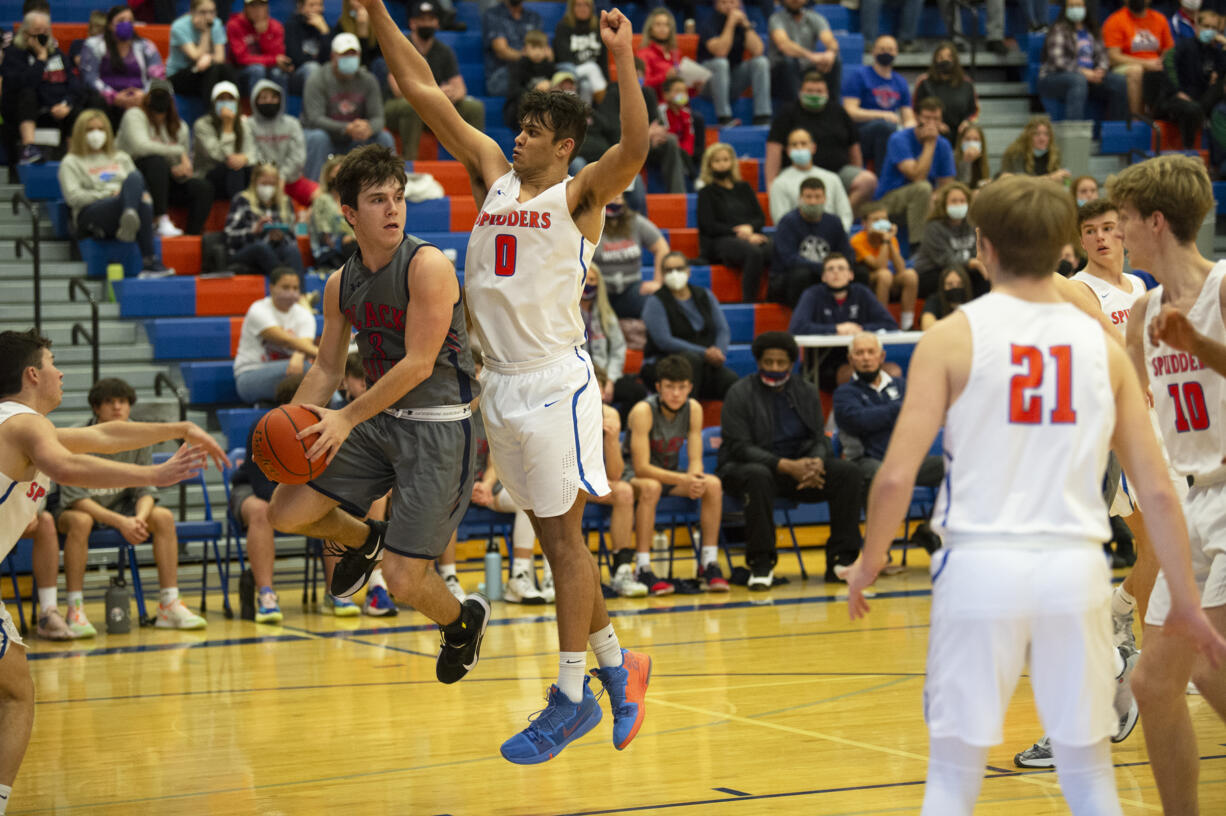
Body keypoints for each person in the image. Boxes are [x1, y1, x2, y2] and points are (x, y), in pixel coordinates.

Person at [841, 172, 1226, 816]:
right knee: (1088, 766)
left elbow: (896, 475)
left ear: (983, 246)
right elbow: (1157, 487)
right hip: (1072, 563)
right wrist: (1183, 595)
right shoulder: (1104, 344)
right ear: (1062, 248)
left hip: (978, 561)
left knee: (954, 770)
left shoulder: (949, 336)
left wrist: (869, 559)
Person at [358, 0, 652, 763]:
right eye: (516, 127)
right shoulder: (493, 173)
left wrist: (623, 54)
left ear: (564, 147)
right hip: (499, 384)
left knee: (561, 540)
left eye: (532, 131)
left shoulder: (581, 195)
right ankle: (621, 670)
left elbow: (637, 142)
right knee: (557, 539)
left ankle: (568, 695)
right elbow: (419, 86)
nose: (516, 136)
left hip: (557, 381)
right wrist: (374, 11)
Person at [260, 142, 493, 706]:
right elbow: (326, 367)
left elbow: (417, 364)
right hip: (380, 420)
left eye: (398, 198)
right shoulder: (340, 283)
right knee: (285, 510)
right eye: (376, 200)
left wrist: (342, 418)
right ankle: (363, 538)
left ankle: (462, 622)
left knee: (405, 579)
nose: (393, 209)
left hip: (441, 428)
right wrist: (297, 424)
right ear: (349, 213)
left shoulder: (429, 265)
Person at [0, 328, 226, 815]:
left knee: (15, 690)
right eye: (53, 362)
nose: (61, 372)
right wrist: (153, 474)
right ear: (32, 374)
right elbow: (65, 464)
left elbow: (105, 436)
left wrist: (182, 430)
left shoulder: (20, 424)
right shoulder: (24, 423)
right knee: (15, 697)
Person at [1011, 195, 1161, 769]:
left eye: (1108, 228)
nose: (1100, 238)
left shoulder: (1133, 288)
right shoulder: (1071, 288)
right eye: (1088, 230)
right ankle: (1118, 669)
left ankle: (1111, 676)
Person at [1113, 154, 1226, 815]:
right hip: (1190, 500)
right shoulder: (1141, 312)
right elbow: (1132, 410)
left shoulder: (1221, 288)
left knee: (1207, 666)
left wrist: (1200, 344)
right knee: (1154, 683)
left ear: (1156, 221)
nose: (1119, 229)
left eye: (1124, 218)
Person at [56, 377, 209, 631]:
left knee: (162, 517)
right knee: (81, 521)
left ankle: (169, 605)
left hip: (122, 505)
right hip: (81, 509)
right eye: (110, 402)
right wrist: (121, 522)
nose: (118, 407)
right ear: (96, 407)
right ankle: (75, 609)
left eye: (123, 402)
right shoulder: (77, 436)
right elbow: (77, 499)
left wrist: (139, 517)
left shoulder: (138, 436)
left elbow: (146, 489)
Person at [718, 330, 865, 587]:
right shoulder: (739, 393)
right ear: (758, 362)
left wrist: (816, 462)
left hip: (800, 470)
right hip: (747, 470)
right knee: (757, 475)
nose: (774, 368)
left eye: (781, 363)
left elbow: (819, 437)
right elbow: (738, 446)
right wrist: (785, 465)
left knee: (848, 473)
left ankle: (842, 560)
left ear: (791, 363)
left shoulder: (806, 390)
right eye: (768, 362)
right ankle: (761, 564)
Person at [623, 355, 727, 595]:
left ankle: (708, 563)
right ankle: (643, 567)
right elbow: (641, 468)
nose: (676, 394)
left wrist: (695, 478)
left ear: (690, 387)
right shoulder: (643, 411)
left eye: (682, 387)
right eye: (670, 387)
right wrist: (684, 480)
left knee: (712, 484)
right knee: (651, 487)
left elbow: (695, 459)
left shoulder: (694, 409)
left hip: (669, 474)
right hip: (635, 476)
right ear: (658, 387)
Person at [832, 332, 942, 555]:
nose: (865, 358)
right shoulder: (844, 393)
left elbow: (920, 417)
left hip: (907, 462)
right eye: (859, 353)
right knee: (878, 474)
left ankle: (930, 528)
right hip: (866, 460)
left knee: (956, 466)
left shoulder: (902, 386)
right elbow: (858, 422)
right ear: (850, 359)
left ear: (881, 357)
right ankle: (878, 552)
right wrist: (897, 409)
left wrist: (878, 416)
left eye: (870, 352)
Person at [58, 110, 169, 276]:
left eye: (101, 129)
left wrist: (129, 198)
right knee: (137, 202)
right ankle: (149, 258)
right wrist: (107, 195)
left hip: (122, 204)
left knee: (136, 180)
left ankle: (130, 218)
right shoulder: (71, 161)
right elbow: (73, 198)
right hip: (91, 214)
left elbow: (139, 188)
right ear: (81, 132)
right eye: (90, 129)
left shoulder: (121, 157)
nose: (96, 134)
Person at [384, 1, 484, 161]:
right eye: (422, 19)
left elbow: (460, 88)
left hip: (434, 106)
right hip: (401, 106)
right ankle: (410, 165)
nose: (426, 23)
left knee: (474, 108)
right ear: (412, 23)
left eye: (430, 19)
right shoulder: (401, 47)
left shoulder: (444, 51)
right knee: (409, 107)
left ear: (437, 23)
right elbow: (398, 89)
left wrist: (452, 93)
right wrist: (436, 94)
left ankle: (476, 161)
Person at [0, 6, 98, 167]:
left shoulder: (57, 53)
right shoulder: (14, 54)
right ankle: (29, 148)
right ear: (25, 34)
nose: (42, 35)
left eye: (46, 31)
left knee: (80, 106)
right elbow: (23, 83)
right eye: (37, 30)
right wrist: (41, 58)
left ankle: (74, 160)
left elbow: (74, 82)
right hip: (25, 110)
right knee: (27, 93)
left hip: (58, 107)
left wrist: (66, 103)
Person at [765, 71, 876, 213]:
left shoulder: (839, 112)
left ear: (827, 93)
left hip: (837, 174)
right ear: (800, 92)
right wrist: (770, 184)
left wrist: (857, 169)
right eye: (809, 91)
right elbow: (773, 149)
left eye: (819, 91)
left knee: (867, 181)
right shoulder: (787, 113)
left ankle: (839, 219)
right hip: (796, 172)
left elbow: (854, 148)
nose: (814, 95)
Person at [115, 79, 213, 237]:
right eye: (155, 94)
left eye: (164, 95)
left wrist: (182, 170)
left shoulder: (180, 127)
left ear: (171, 100)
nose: (160, 99)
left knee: (203, 187)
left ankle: (191, 236)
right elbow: (140, 147)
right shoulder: (134, 115)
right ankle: (160, 220)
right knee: (155, 161)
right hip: (135, 178)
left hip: (165, 180)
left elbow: (183, 162)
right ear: (147, 97)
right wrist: (177, 150)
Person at [790, 253, 899, 390]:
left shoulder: (862, 293)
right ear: (823, 277)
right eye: (830, 269)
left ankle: (886, 409)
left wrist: (860, 329)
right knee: (852, 374)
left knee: (894, 371)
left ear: (851, 275)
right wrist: (836, 329)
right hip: (824, 365)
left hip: (863, 358)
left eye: (841, 268)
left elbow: (890, 324)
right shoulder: (812, 294)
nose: (836, 272)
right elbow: (797, 327)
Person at [642, 252, 740, 400]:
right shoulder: (655, 301)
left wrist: (718, 351)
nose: (674, 273)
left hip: (705, 362)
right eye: (668, 270)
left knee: (731, 380)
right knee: (691, 360)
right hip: (667, 364)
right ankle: (688, 416)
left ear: (688, 271)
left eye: (679, 268)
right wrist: (705, 352)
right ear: (662, 274)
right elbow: (664, 341)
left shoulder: (704, 295)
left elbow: (722, 329)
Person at [302, 33, 396, 183]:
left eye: (354, 54)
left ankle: (391, 185)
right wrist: (346, 128)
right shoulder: (317, 78)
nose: (350, 58)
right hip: (328, 136)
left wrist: (369, 128)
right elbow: (314, 119)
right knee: (318, 138)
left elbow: (378, 117)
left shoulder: (368, 80)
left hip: (356, 138)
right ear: (333, 56)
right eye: (345, 54)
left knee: (384, 138)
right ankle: (314, 190)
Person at [874, 96, 955, 248]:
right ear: (917, 117)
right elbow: (917, 176)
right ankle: (918, 245)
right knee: (923, 188)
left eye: (936, 119)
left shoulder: (944, 145)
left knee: (953, 196)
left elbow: (947, 185)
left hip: (923, 201)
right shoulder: (899, 139)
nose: (931, 123)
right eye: (927, 118)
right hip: (889, 202)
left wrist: (936, 197)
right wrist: (930, 143)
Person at [697, 142, 771, 303]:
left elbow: (760, 217)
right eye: (717, 161)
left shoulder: (744, 188)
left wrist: (750, 228)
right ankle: (749, 302)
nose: (722, 164)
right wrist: (739, 233)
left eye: (725, 159)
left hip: (750, 234)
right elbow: (708, 225)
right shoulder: (706, 192)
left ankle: (773, 297)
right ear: (709, 165)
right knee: (754, 253)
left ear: (732, 162)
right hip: (720, 240)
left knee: (775, 249)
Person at [232, 267, 318, 403]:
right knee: (313, 372)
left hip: (291, 371)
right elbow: (286, 340)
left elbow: (305, 344)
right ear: (271, 288)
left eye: (295, 288)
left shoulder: (304, 314)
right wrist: (325, 355)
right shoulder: (258, 309)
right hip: (250, 376)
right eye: (285, 287)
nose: (291, 292)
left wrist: (299, 355)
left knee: (315, 372)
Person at [771, 176, 855, 308]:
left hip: (824, 273)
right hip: (789, 278)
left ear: (825, 199)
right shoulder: (787, 222)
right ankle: (799, 320)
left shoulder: (834, 222)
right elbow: (789, 259)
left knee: (856, 273)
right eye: (808, 197)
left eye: (817, 197)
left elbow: (846, 252)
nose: (813, 201)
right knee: (801, 274)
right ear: (800, 199)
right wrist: (825, 268)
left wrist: (838, 268)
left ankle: (850, 315)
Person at [1038, 0, 1129, 122]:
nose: (1075, 9)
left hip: (1089, 78)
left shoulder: (1092, 30)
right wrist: (1083, 72)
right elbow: (1058, 61)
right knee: (1077, 80)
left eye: (1078, 6)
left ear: (1086, 8)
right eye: (1071, 6)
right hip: (1054, 78)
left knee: (1119, 81)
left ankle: (1115, 130)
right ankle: (1075, 133)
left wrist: (1100, 70)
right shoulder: (1059, 29)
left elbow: (1102, 56)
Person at [78, 5, 165, 129]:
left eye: (130, 21)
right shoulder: (93, 45)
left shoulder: (146, 46)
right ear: (109, 25)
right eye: (121, 21)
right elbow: (90, 78)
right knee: (94, 99)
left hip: (139, 98)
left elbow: (158, 77)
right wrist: (114, 97)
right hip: (107, 100)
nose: (126, 24)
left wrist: (144, 95)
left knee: (162, 95)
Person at [1152, 9, 1226, 149]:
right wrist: (1177, 92)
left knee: (1220, 89)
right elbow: (1168, 65)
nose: (1209, 31)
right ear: (1197, 26)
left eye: (1214, 28)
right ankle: (1189, 151)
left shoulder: (1216, 52)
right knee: (1191, 109)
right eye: (1206, 26)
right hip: (1175, 99)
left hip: (1201, 100)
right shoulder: (1184, 46)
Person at [581, 263, 648, 413]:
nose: (588, 284)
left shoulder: (607, 314)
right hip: (576, 377)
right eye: (585, 279)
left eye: (592, 280)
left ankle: (620, 430)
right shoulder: (567, 315)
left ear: (599, 284)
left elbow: (618, 348)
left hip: (605, 376)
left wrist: (609, 380)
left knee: (636, 391)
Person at [842, 36, 915, 174]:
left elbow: (908, 117)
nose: (886, 52)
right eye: (882, 49)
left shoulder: (900, 82)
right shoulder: (860, 76)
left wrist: (911, 130)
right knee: (885, 127)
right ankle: (883, 178)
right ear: (873, 52)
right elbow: (850, 111)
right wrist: (882, 114)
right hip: (860, 131)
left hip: (890, 131)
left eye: (890, 49)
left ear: (896, 53)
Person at [593, 191, 669, 319]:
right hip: (600, 289)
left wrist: (657, 282)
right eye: (609, 199)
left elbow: (662, 248)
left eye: (617, 198)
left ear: (624, 201)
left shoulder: (636, 222)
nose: (613, 202)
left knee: (657, 303)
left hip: (632, 288)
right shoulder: (591, 223)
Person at [697, 0, 771, 126]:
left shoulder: (741, 24)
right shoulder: (708, 23)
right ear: (716, 5)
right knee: (721, 63)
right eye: (724, 2)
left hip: (732, 80)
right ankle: (724, 117)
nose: (729, 6)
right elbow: (721, 51)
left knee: (761, 62)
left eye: (732, 2)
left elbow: (758, 50)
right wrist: (730, 24)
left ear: (740, 4)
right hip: (708, 83)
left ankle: (762, 116)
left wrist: (746, 25)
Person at [224, 163, 305, 276]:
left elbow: (292, 239)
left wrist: (280, 237)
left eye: (272, 184)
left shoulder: (285, 202)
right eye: (264, 183)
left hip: (274, 250)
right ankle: (284, 281)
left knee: (293, 251)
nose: (268, 188)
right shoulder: (242, 200)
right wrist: (253, 232)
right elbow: (229, 236)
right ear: (254, 182)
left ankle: (299, 292)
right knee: (261, 248)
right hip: (245, 251)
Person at [248, 80, 317, 208]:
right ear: (255, 101)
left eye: (274, 97)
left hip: (292, 180)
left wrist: (281, 176)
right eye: (264, 98)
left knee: (322, 197)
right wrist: (270, 176)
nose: (269, 101)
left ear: (280, 100)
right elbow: (252, 154)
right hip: (263, 181)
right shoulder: (248, 125)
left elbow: (298, 157)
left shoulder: (292, 123)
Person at [768, 128, 853, 230]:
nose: (799, 148)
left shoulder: (832, 178)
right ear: (788, 151)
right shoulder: (779, 183)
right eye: (794, 145)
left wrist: (836, 236)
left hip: (832, 237)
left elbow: (845, 214)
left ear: (813, 147)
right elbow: (780, 219)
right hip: (798, 239)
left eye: (803, 143)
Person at [850, 204, 920, 328]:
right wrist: (885, 241)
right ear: (865, 224)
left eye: (884, 219)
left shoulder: (890, 238)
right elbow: (879, 266)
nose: (881, 223)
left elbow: (901, 268)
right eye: (876, 220)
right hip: (867, 281)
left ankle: (907, 325)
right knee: (884, 275)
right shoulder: (857, 240)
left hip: (887, 280)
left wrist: (889, 241)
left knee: (910, 275)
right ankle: (881, 321)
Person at [913, 181, 986, 298]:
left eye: (962, 201)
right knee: (956, 279)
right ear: (944, 204)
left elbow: (976, 252)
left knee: (984, 278)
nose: (958, 204)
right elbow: (944, 259)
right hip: (933, 273)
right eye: (954, 201)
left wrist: (978, 263)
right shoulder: (933, 227)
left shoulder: (972, 225)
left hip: (964, 270)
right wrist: (971, 263)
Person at [1102, 0, 1174, 116]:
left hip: (1155, 65)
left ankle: (1160, 117)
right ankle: (1137, 119)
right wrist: (1145, 64)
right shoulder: (1115, 20)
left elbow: (1169, 49)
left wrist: (1161, 61)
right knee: (1136, 70)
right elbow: (1113, 57)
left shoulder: (1159, 19)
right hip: (1123, 66)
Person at [767, 0, 841, 106]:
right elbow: (784, 45)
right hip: (780, 75)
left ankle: (833, 108)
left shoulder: (815, 18)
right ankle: (796, 109)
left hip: (805, 70)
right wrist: (811, 56)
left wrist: (831, 52)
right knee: (789, 61)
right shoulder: (775, 19)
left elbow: (830, 40)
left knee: (835, 60)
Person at [192, 81, 254, 202]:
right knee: (234, 167)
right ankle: (239, 210)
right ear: (214, 103)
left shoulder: (243, 124)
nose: (226, 104)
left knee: (254, 170)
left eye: (230, 99)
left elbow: (253, 153)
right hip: (209, 176)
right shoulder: (202, 125)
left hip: (237, 174)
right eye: (221, 99)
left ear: (237, 103)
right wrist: (228, 127)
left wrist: (245, 158)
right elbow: (219, 156)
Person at [167, 0, 237, 101]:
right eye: (203, 12)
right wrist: (206, 31)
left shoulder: (216, 23)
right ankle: (211, 112)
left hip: (205, 72)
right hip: (179, 75)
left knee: (226, 68)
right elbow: (196, 56)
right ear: (192, 12)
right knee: (212, 70)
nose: (208, 17)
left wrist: (209, 58)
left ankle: (235, 108)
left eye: (212, 12)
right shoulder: (179, 27)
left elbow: (220, 57)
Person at [912, 42, 978, 138]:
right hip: (931, 131)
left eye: (949, 57)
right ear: (935, 60)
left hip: (960, 132)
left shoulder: (967, 84)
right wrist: (934, 124)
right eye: (941, 57)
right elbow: (915, 110)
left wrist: (967, 122)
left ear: (955, 60)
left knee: (972, 134)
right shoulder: (924, 82)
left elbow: (974, 110)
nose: (945, 60)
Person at [226, 0, 289, 97]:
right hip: (240, 70)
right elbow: (241, 58)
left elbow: (279, 56)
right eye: (253, 6)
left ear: (267, 7)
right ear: (245, 7)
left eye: (261, 5)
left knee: (279, 72)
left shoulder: (276, 26)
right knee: (257, 69)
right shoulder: (234, 25)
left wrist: (263, 35)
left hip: (267, 68)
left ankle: (280, 111)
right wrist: (273, 60)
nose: (257, 10)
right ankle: (256, 110)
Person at [481, 0, 543, 96]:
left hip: (531, 70)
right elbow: (501, 50)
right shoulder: (493, 15)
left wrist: (539, 54)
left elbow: (544, 48)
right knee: (536, 86)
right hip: (502, 74)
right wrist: (527, 55)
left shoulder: (533, 17)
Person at [308, 155, 357, 270]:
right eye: (336, 173)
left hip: (353, 245)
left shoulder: (353, 200)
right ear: (328, 177)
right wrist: (344, 238)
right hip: (329, 251)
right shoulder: (323, 200)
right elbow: (326, 237)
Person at [553, 0, 608, 103]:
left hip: (591, 75)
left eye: (586, 5)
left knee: (586, 85)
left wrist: (606, 79)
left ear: (591, 8)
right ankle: (606, 106)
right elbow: (563, 57)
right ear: (572, 8)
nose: (583, 8)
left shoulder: (597, 26)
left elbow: (603, 58)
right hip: (569, 70)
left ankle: (585, 117)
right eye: (578, 5)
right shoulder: (563, 26)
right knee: (592, 68)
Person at [502, 30, 555, 128]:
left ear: (547, 49)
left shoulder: (550, 67)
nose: (538, 52)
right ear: (525, 49)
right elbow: (514, 91)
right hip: (519, 111)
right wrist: (535, 91)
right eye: (534, 47)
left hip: (543, 108)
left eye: (541, 48)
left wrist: (551, 85)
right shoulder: (518, 66)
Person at [1000, 115, 1071, 182]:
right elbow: (1020, 182)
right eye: (1037, 134)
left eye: (1046, 134)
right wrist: (1050, 178)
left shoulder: (1054, 153)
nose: (1042, 139)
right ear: (1027, 136)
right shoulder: (1015, 153)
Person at [284, 0, 333, 95]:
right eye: (312, 5)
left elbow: (332, 59)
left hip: (323, 73)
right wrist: (318, 61)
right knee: (312, 68)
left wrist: (325, 33)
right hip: (298, 76)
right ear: (300, 7)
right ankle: (313, 109)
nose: (317, 9)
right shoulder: (291, 26)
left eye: (320, 5)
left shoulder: (325, 28)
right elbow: (296, 58)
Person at [636, 6, 683, 101]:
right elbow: (643, 84)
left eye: (666, 25)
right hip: (655, 104)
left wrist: (694, 88)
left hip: (677, 103)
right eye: (658, 24)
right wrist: (665, 76)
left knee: (697, 115)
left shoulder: (675, 53)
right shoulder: (643, 54)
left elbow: (681, 89)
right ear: (650, 29)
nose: (663, 28)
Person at [953, 124, 989, 189]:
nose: (971, 143)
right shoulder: (952, 159)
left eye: (976, 140)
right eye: (967, 139)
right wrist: (966, 162)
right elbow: (960, 187)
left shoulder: (982, 162)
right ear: (961, 141)